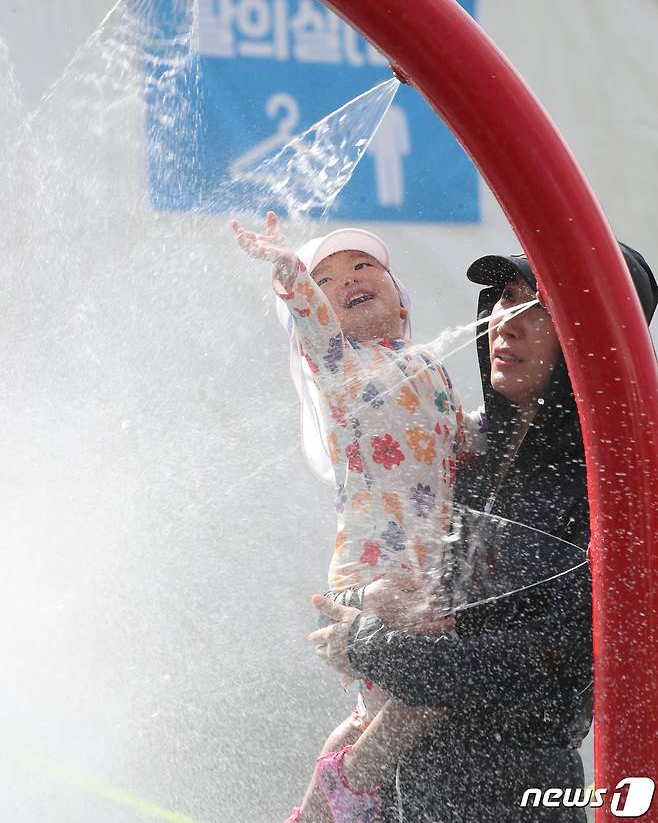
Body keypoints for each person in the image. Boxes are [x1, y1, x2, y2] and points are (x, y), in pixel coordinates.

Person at [310, 244, 657, 821]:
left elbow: (551, 656)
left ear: (596, 338)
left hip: (509, 793)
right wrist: (359, 607)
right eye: (504, 299)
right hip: (401, 789)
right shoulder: (461, 449)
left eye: (540, 308)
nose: (508, 322)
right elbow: (349, 600)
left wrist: (368, 644)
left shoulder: (610, 487)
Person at [232, 212, 484, 823]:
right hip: (374, 565)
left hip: (424, 561)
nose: (348, 279)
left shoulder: (430, 364)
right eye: (329, 280)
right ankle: (349, 784)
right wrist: (288, 270)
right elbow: (310, 320)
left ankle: (315, 810)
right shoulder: (339, 365)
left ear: (403, 304)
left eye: (365, 266)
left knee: (378, 709)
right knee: (430, 685)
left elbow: (463, 441)